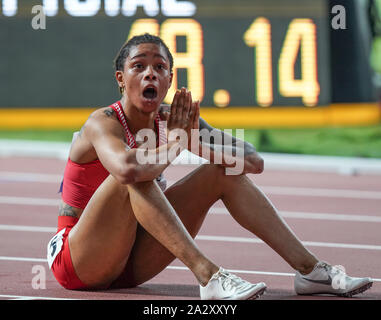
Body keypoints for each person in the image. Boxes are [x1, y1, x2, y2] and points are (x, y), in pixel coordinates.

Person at [47, 33, 373, 300]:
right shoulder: (101, 122)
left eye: (159, 67)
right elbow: (127, 171)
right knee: (135, 176)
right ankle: (210, 277)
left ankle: (310, 271)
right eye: (139, 66)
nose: (150, 73)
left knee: (221, 171)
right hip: (79, 261)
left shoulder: (174, 118)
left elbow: (252, 161)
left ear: (169, 79)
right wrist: (176, 142)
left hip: (130, 263)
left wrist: (194, 142)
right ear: (121, 79)